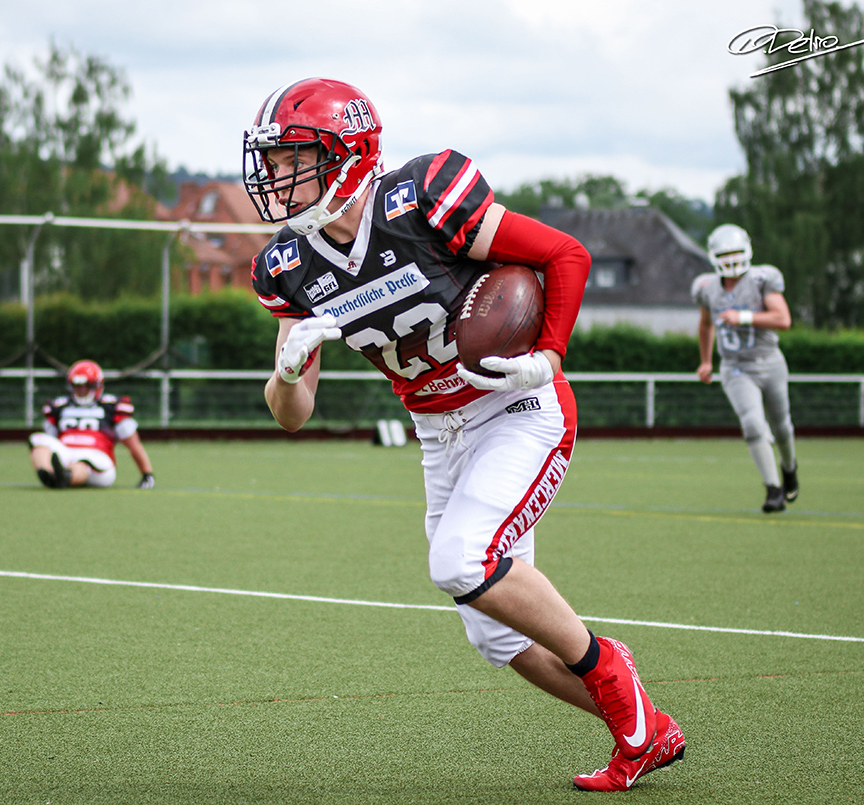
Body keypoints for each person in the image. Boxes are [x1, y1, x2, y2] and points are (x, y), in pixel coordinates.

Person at [244, 78, 684, 792]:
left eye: (292, 158)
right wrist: (287, 370)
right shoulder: (290, 266)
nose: (275, 180)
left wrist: (548, 353)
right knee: (500, 637)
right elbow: (292, 413)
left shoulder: (420, 198)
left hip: (517, 411)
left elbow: (565, 255)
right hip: (437, 434)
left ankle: (613, 671)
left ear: (348, 154)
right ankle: (645, 728)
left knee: (459, 561)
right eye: (271, 163)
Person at [693, 224, 798, 513]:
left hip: (770, 361)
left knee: (782, 426)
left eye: (736, 253)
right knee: (752, 423)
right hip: (736, 366)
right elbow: (705, 324)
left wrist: (744, 316)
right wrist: (705, 360)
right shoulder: (707, 288)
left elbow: (783, 319)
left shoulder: (763, 279)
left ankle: (789, 467)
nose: (731, 259)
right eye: (725, 254)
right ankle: (773, 489)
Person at [28, 359, 156, 490]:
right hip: (66, 452)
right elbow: (50, 439)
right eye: (77, 385)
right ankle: (47, 473)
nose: (82, 389)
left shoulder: (113, 406)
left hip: (97, 455)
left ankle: (65, 477)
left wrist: (147, 473)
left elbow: (133, 443)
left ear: (97, 385)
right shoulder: (59, 406)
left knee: (84, 463)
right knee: (38, 439)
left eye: (87, 385)